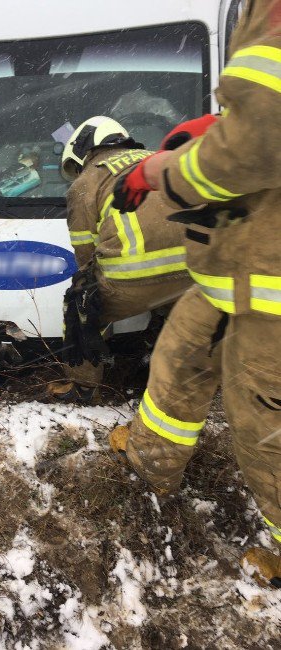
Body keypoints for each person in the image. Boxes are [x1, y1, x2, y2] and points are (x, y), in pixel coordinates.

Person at [110, 0, 281, 588]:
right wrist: (209, 140)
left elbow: (260, 139)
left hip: (272, 295)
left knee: (265, 428)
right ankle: (150, 471)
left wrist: (164, 172)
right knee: (178, 363)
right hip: (233, 274)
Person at [47, 116, 192, 403]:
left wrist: (88, 290)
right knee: (184, 322)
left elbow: (84, 254)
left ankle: (83, 389)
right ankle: (183, 381)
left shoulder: (86, 182)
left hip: (132, 278)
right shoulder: (161, 158)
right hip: (192, 271)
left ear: (82, 150)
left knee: (80, 309)